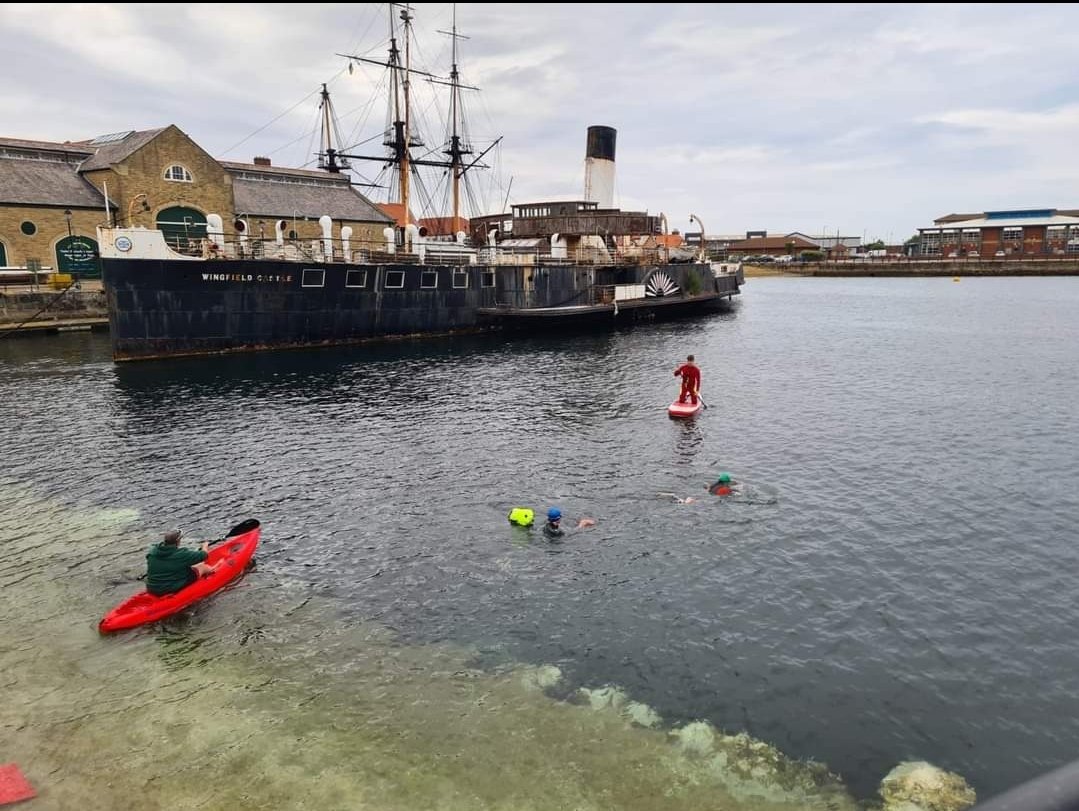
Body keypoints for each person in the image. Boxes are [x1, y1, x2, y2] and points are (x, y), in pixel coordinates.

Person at [146, 529, 219, 596]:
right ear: (178, 541)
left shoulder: (153, 552)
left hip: (152, 588)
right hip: (168, 588)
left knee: (195, 564)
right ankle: (216, 570)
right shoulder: (181, 554)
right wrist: (204, 546)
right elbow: (204, 555)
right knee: (203, 567)